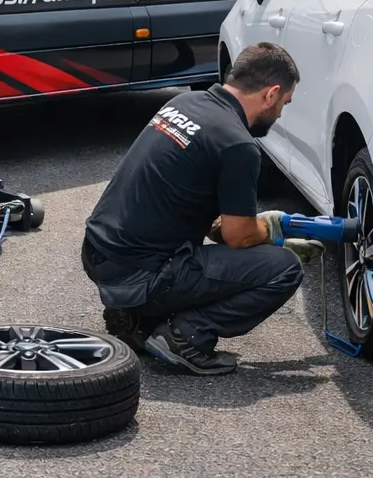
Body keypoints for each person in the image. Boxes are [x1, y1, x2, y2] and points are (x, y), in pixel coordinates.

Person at [81, 43, 321, 375]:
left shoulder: (184, 103)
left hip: (98, 253)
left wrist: (248, 225)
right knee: (283, 268)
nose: (281, 113)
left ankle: (139, 321)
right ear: (271, 94)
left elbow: (198, 211)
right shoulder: (238, 145)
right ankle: (186, 336)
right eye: (284, 103)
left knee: (191, 252)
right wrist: (271, 232)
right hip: (139, 274)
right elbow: (238, 237)